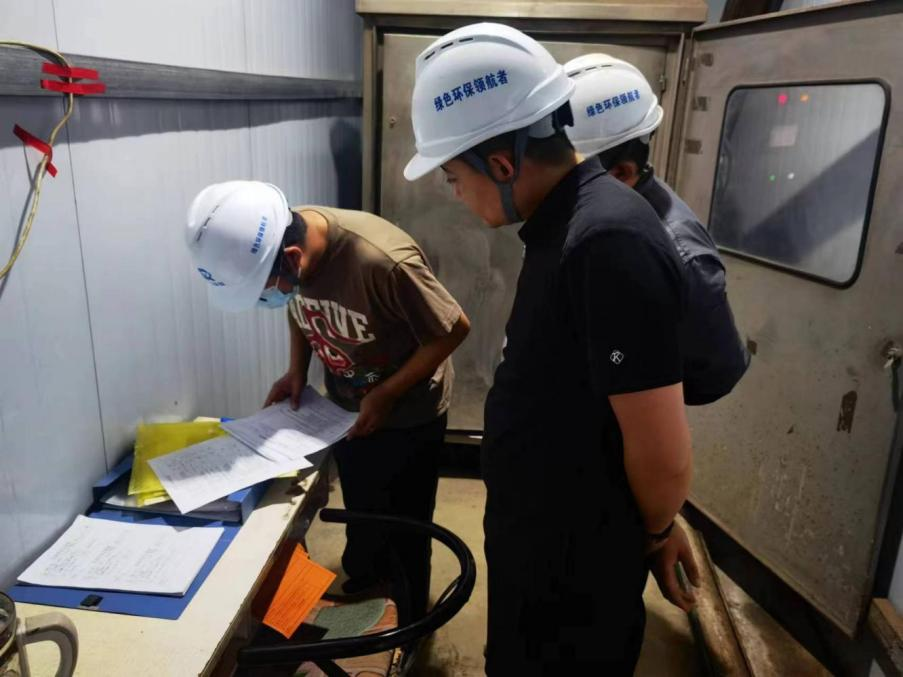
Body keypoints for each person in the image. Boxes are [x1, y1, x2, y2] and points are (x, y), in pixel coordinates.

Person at [405, 23, 700, 675]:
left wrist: (655, 530)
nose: (455, 193)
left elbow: (662, 448)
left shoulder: (607, 243)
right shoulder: (564, 226)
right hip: (543, 545)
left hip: (575, 570)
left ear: (502, 165)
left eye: (453, 177)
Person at [185, 181, 470, 620]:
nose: (265, 299)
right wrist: (296, 370)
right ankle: (366, 591)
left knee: (406, 526)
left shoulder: (381, 261)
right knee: (362, 513)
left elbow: (453, 329)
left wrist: (387, 393)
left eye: (263, 291)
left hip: (408, 409)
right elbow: (298, 306)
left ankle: (409, 620)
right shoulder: (280, 240)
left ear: (293, 258)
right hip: (346, 405)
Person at [564, 53, 749, 405]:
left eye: (569, 170)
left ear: (621, 172)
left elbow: (717, 372)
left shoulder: (678, 249)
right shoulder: (591, 213)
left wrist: (634, 383)